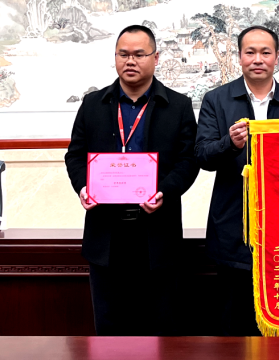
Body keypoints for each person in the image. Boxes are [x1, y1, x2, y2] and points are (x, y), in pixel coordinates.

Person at [65, 24, 199, 335]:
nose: (130, 61)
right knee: (110, 330)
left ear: (156, 58)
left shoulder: (178, 106)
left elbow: (188, 160)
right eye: (123, 54)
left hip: (157, 232)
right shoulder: (93, 104)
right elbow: (75, 155)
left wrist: (165, 191)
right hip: (106, 233)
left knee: (159, 329)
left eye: (139, 54)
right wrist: (83, 187)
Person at [195, 25, 279, 336]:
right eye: (250, 52)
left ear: (277, 57)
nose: (257, 59)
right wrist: (230, 144)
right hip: (233, 224)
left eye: (265, 52)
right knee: (235, 319)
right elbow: (203, 156)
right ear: (239, 57)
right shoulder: (217, 100)